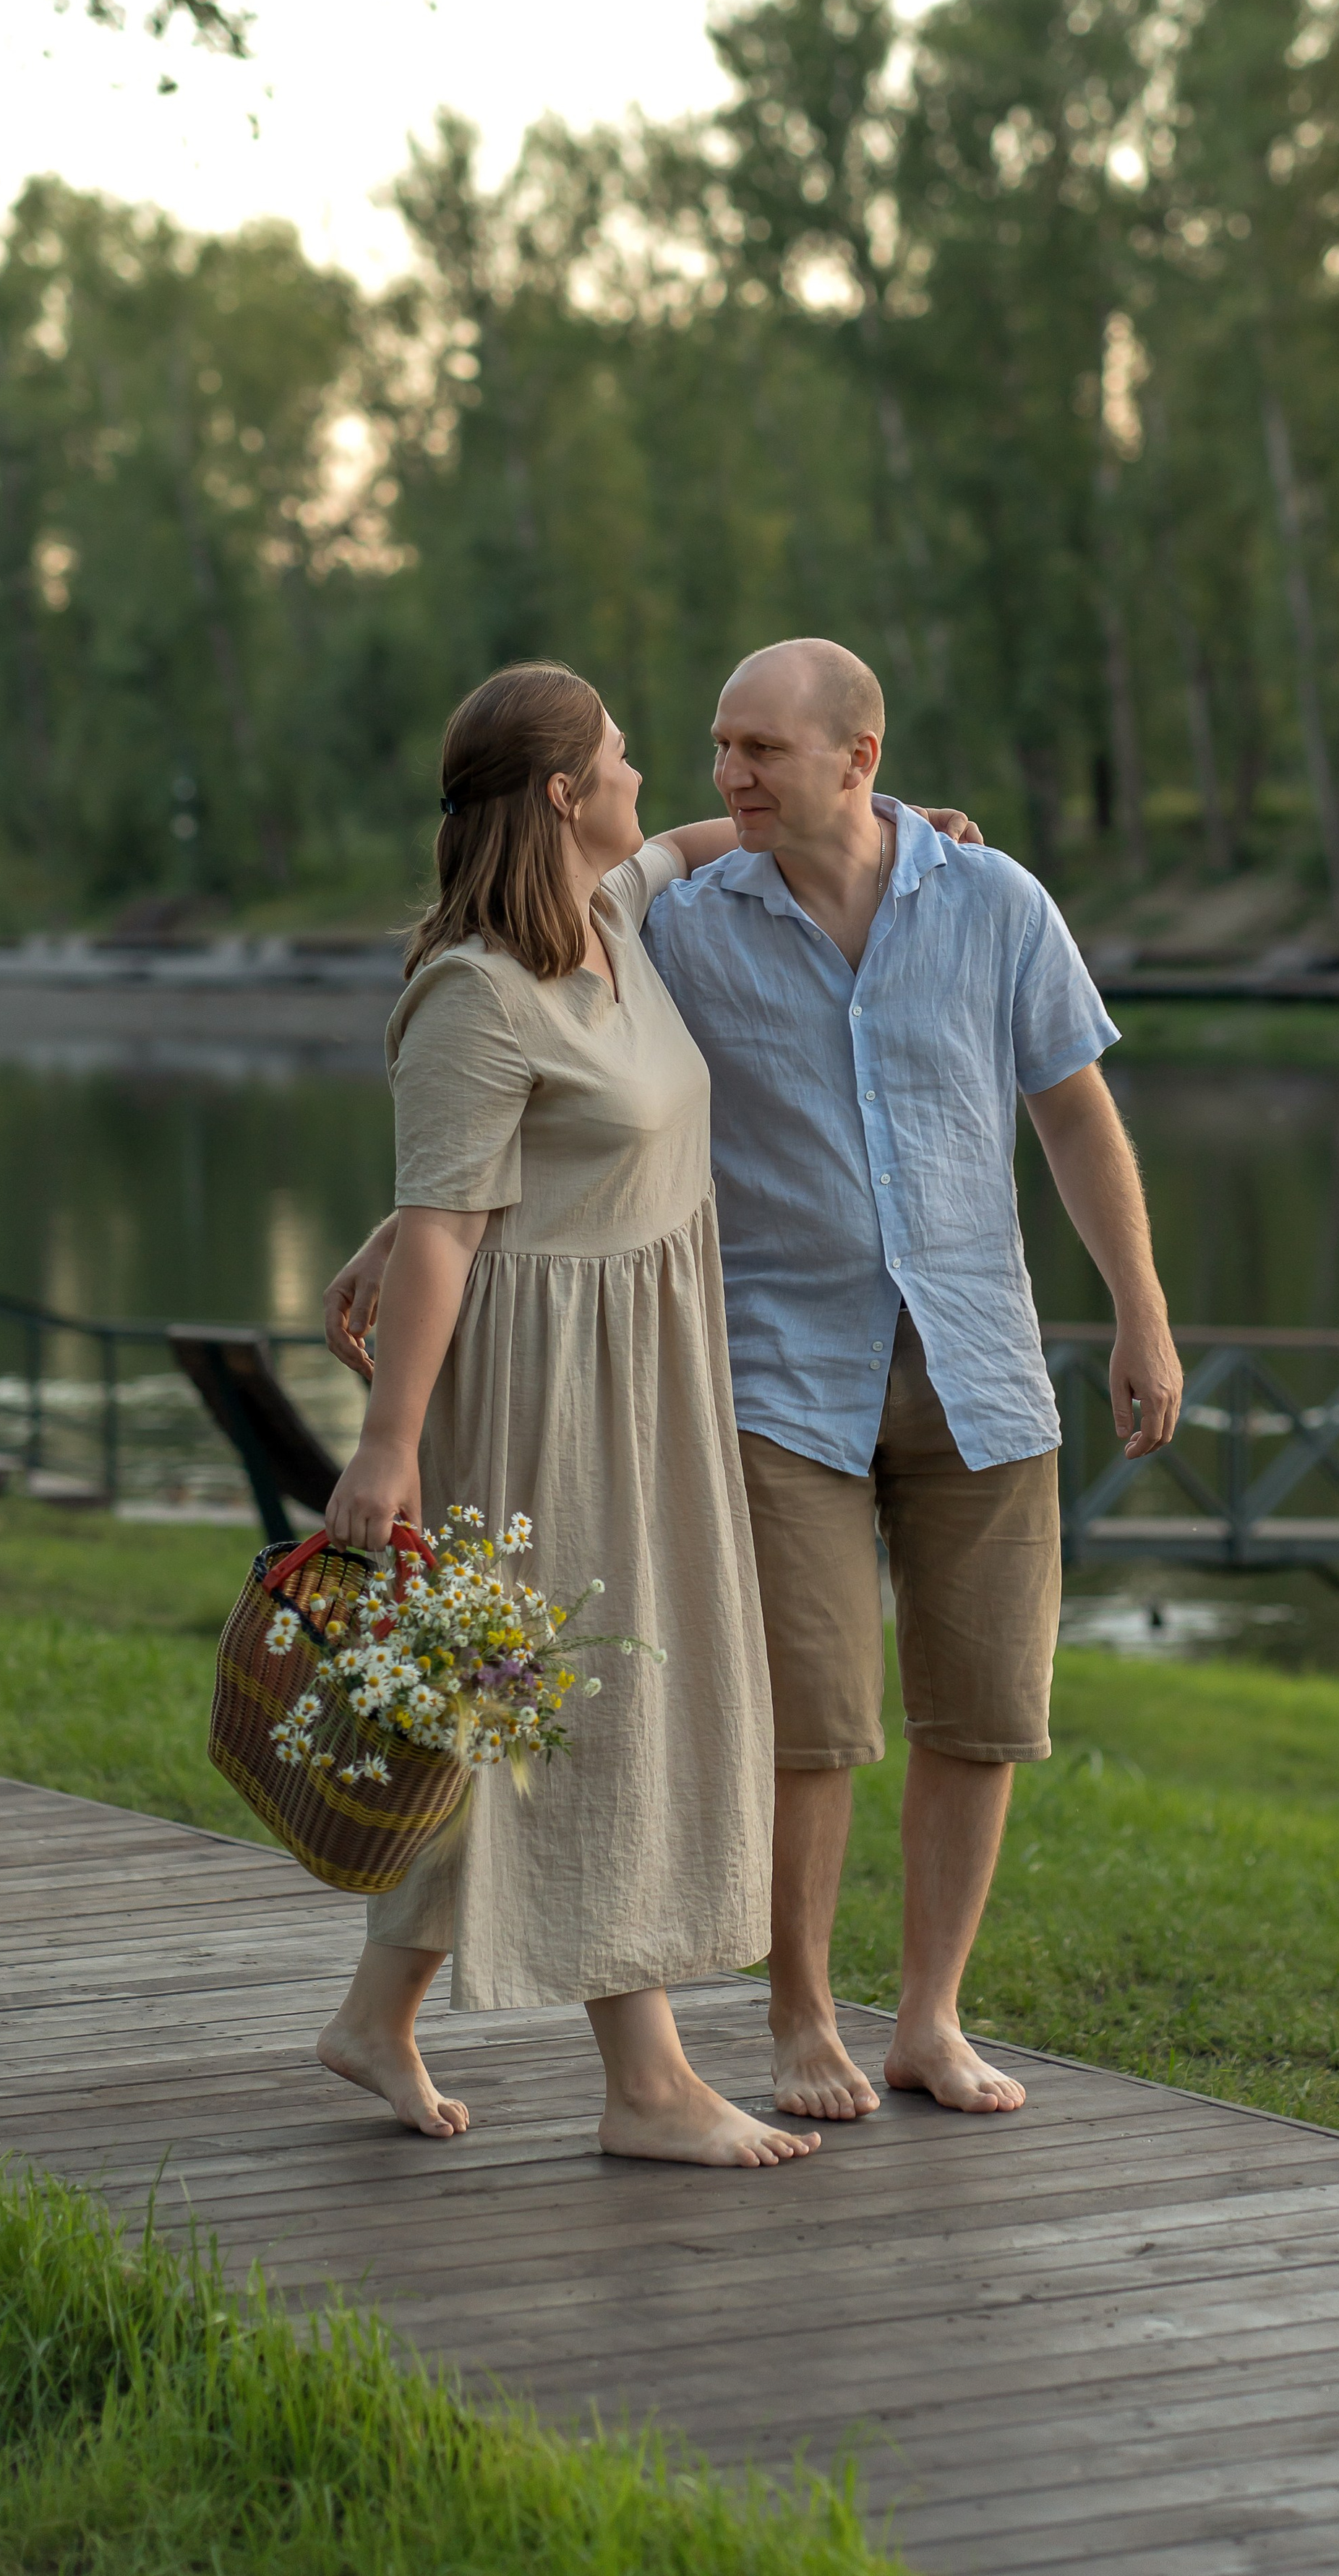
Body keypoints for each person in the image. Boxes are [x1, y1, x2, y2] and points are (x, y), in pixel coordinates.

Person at [330, 637, 1181, 2129]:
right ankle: (756, 2040)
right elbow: (498, 1111)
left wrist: (1142, 1315)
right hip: (704, 1378)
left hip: (961, 1363)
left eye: (758, 750)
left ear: (858, 760)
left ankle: (922, 2021)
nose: (718, 773)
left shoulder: (970, 902)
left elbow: (1070, 1110)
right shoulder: (648, 929)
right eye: (701, 747)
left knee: (962, 1713)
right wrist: (402, 1265)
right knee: (743, 1717)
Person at [317, 658, 817, 2168]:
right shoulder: (473, 992)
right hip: (546, 1393)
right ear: (559, 792)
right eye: (618, 754)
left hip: (647, 1365)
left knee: (500, 1704)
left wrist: (902, 822)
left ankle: (374, 2018)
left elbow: (699, 844)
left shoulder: (609, 910)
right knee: (587, 1703)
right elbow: (447, 1229)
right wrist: (388, 1447)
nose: (643, 775)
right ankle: (646, 2086)